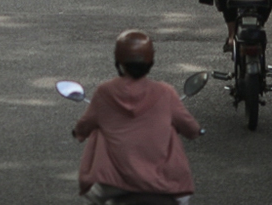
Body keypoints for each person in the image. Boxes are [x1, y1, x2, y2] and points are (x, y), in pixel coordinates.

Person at [71, 31, 201, 203]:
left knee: (91, 196)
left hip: (113, 183)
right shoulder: (165, 92)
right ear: (151, 62)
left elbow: (85, 124)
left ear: (119, 62)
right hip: (162, 181)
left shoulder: (105, 92)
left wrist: (78, 132)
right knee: (183, 197)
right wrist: (196, 131)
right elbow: (189, 127)